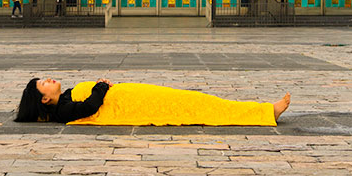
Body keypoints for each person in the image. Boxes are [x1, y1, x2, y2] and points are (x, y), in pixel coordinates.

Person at [15, 77, 291, 126]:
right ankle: (265, 112)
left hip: (135, 96)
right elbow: (90, 107)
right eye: (44, 83)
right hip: (135, 104)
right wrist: (100, 86)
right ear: (44, 98)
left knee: (195, 100)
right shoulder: (63, 109)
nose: (49, 79)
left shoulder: (64, 98)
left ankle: (263, 111)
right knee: (196, 104)